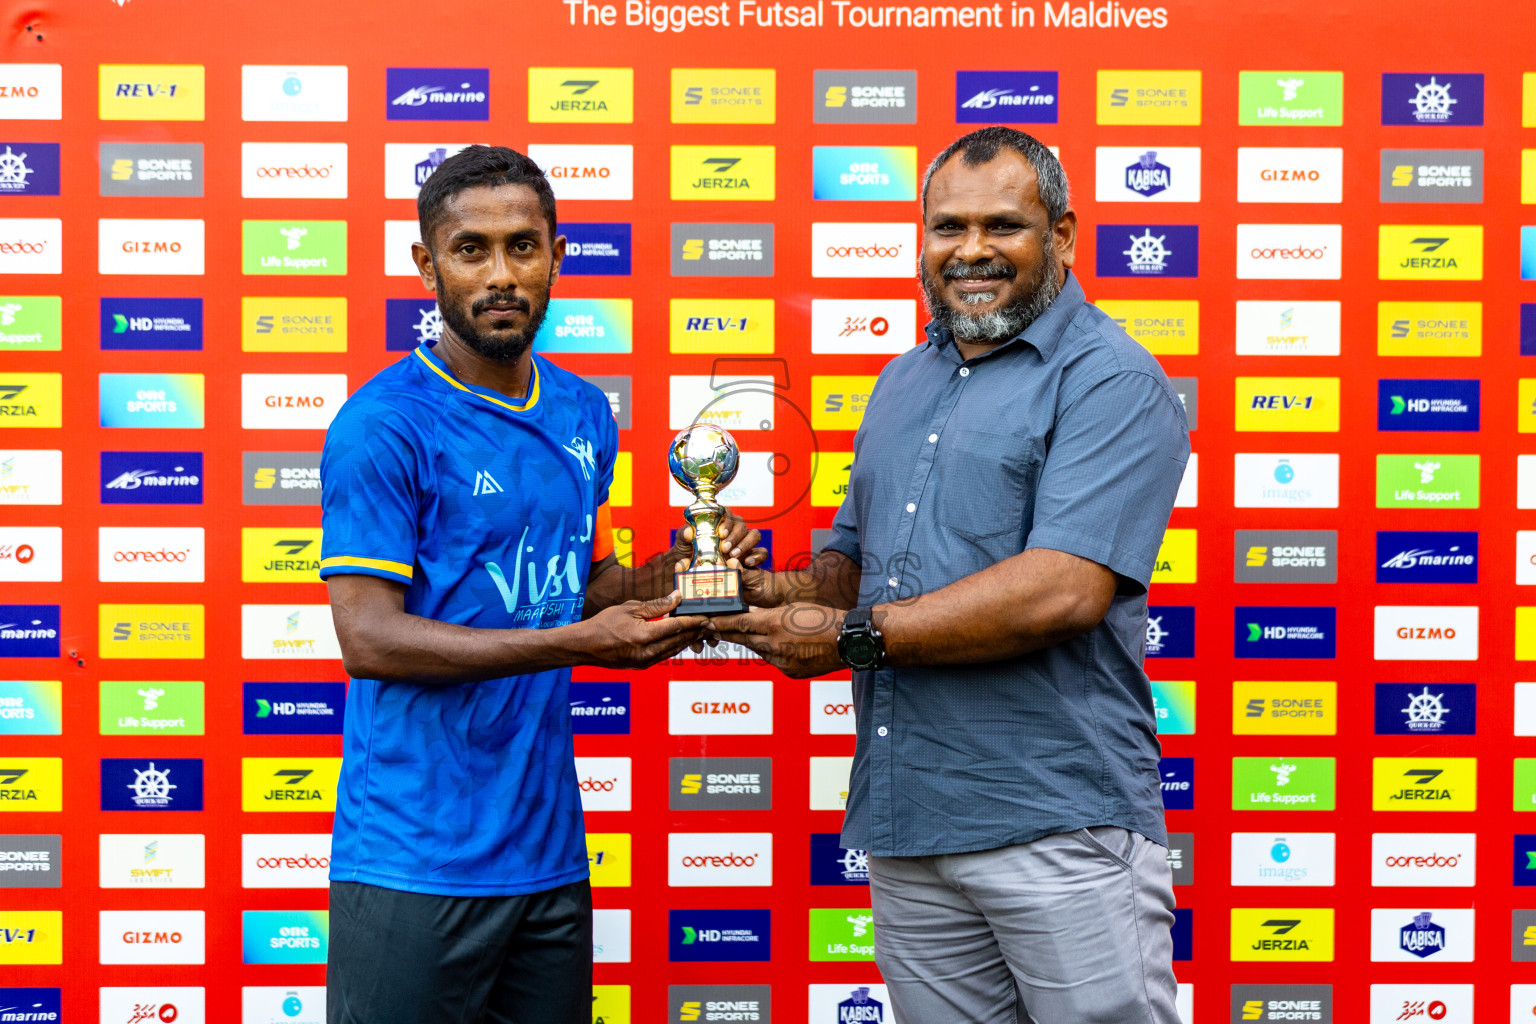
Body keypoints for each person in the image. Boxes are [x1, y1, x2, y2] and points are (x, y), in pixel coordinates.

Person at [716, 127, 1189, 1023]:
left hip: (1056, 821)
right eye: (947, 227)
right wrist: (756, 588)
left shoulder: (1110, 380)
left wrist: (848, 639)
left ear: (1062, 238)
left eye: (1001, 226)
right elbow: (851, 571)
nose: (970, 251)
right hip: (911, 819)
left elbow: (1063, 588)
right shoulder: (902, 381)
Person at [318, 145, 762, 1024]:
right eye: (470, 249)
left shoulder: (582, 412)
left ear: (559, 256)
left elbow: (573, 589)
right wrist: (578, 646)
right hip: (415, 857)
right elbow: (369, 638)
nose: (500, 275)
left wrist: (686, 570)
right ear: (426, 264)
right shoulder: (385, 425)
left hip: (549, 849)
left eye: (523, 247)